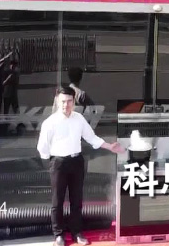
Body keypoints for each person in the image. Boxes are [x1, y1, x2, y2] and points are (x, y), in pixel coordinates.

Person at [38, 86, 125, 246]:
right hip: (58, 163)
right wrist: (50, 163)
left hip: (76, 162)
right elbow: (42, 147)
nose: (66, 105)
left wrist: (109, 146)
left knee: (76, 200)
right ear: (57, 101)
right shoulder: (50, 123)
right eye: (63, 101)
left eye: (69, 101)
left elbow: (91, 138)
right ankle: (58, 235)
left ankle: (77, 233)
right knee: (57, 202)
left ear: (73, 101)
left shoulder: (79, 119)